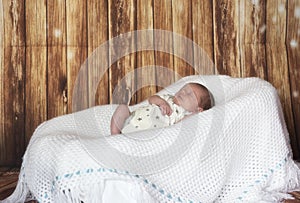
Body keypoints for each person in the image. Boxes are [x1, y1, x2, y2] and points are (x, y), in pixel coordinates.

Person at [110, 83, 213, 135]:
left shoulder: (184, 114)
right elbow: (151, 99)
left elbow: (181, 125)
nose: (184, 92)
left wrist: (195, 115)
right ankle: (115, 133)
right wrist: (161, 102)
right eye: (184, 89)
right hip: (130, 119)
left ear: (198, 109)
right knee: (122, 108)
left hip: (145, 133)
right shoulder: (168, 98)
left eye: (190, 94)